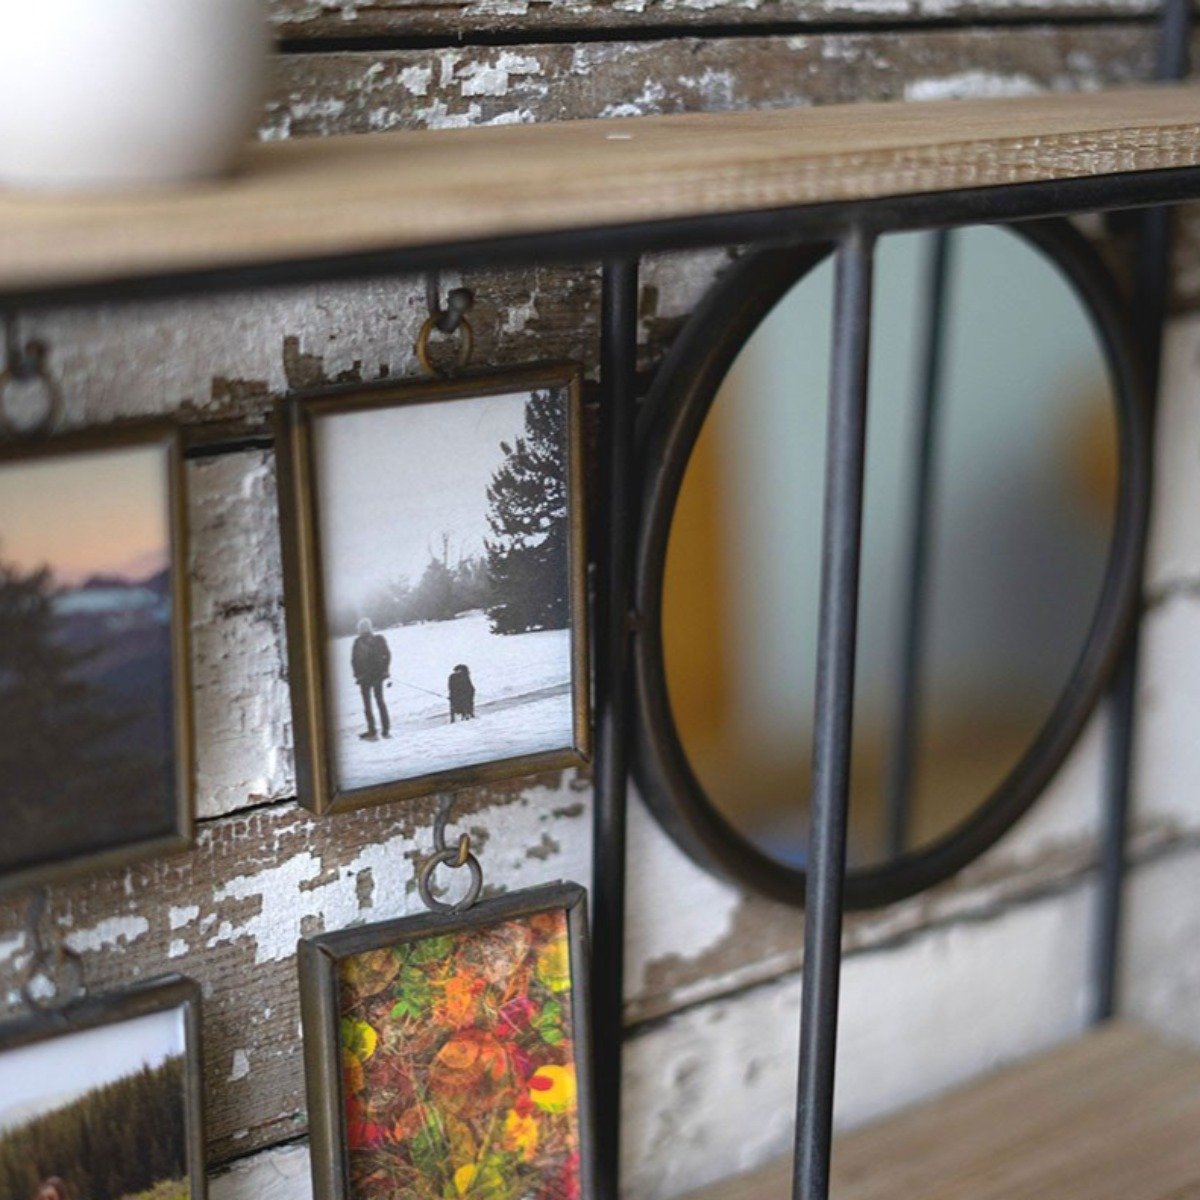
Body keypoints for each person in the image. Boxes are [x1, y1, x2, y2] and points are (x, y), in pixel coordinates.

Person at [351, 617, 391, 741]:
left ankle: (372, 730)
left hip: (364, 677)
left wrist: (357, 675)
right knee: (380, 702)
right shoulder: (379, 639)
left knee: (367, 705)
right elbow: (387, 655)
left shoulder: (358, 642)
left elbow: (354, 661)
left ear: (360, 629)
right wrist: (385, 670)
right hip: (378, 675)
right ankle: (385, 729)